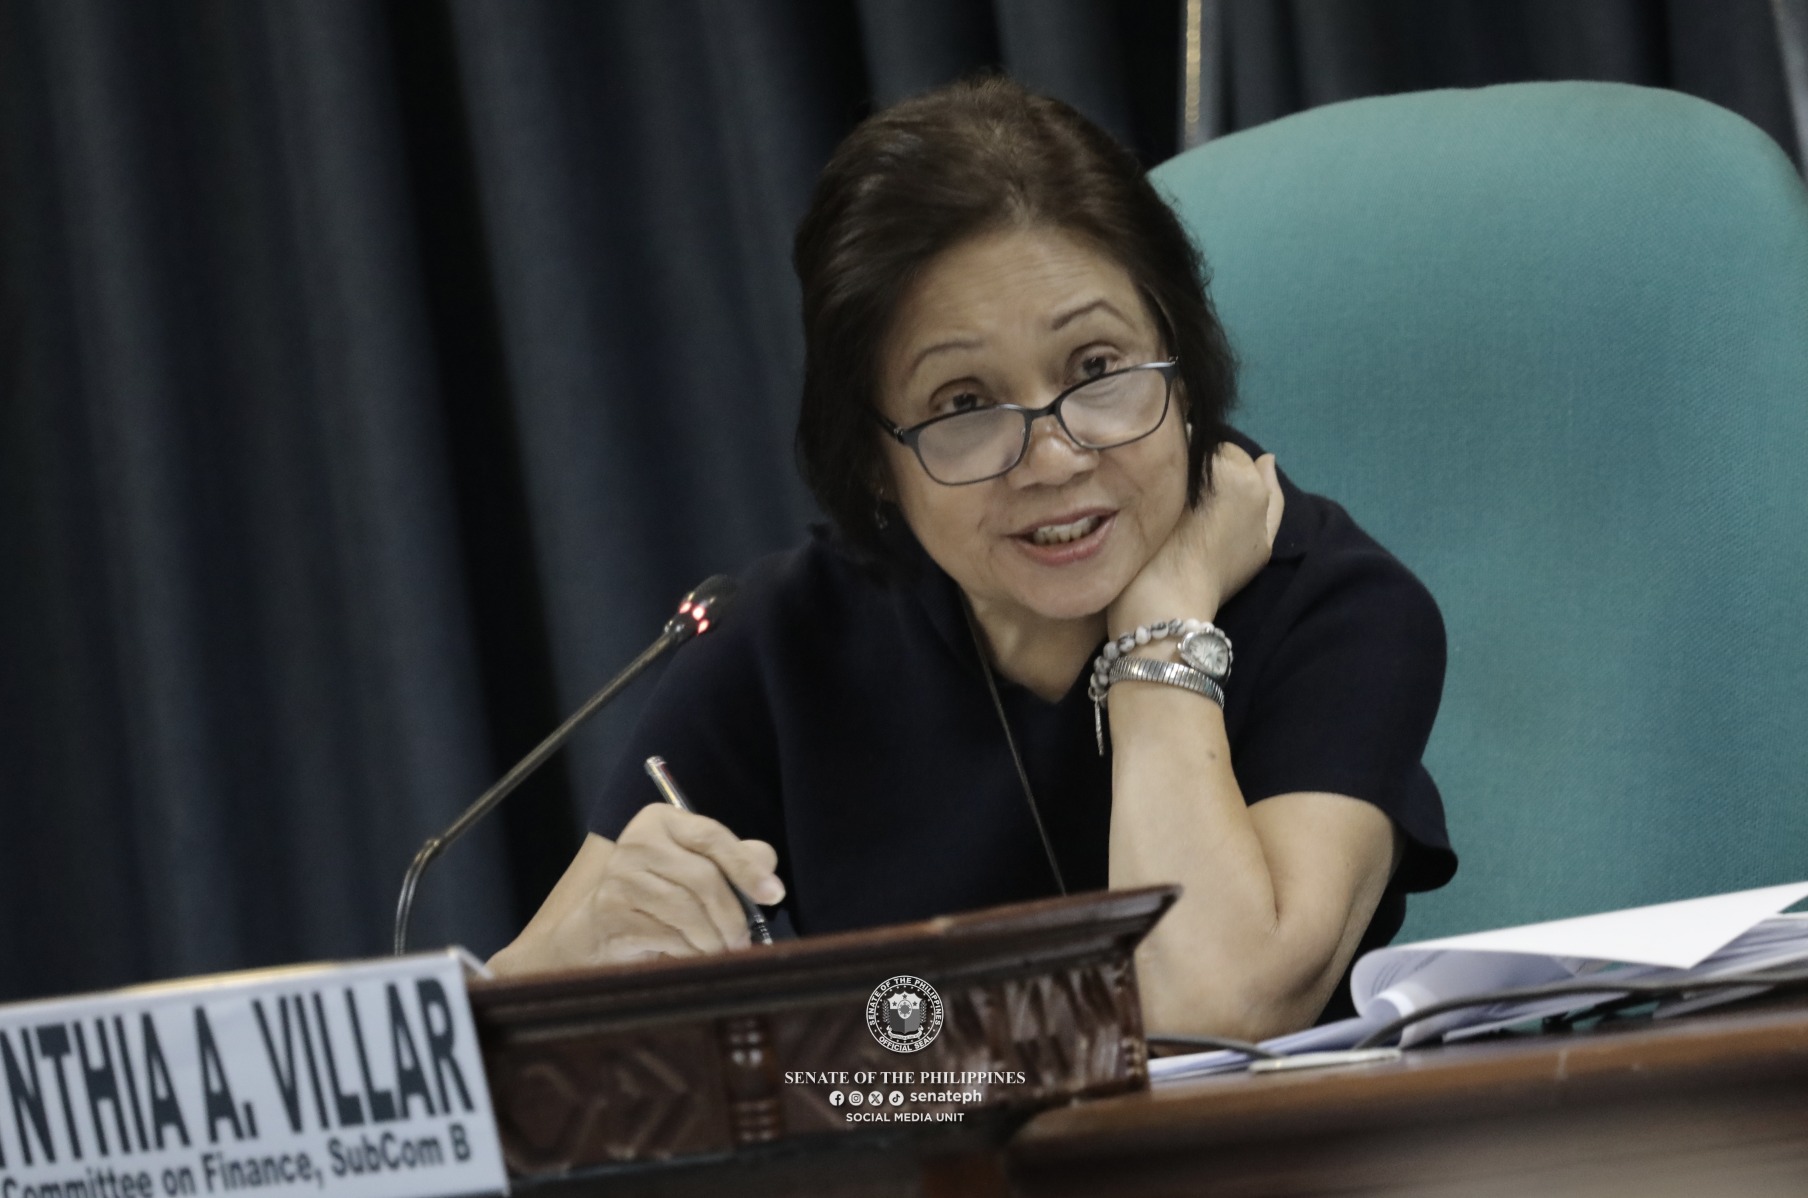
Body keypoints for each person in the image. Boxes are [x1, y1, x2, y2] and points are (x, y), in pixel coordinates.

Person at [488, 76, 1455, 1041]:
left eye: (1098, 369)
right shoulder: (788, 645)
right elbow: (493, 1027)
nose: (1055, 456)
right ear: (874, 460)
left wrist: (1162, 635)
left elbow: (1217, 1007)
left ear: (1184, 367)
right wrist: (597, 946)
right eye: (963, 405)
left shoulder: (1335, 612)